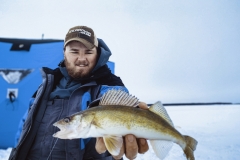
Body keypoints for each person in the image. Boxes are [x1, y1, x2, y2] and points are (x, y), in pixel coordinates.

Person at [9, 26, 149, 160]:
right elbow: (24, 127)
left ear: (98, 54)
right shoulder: (46, 86)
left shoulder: (110, 85)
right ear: (64, 52)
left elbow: (113, 105)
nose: (81, 58)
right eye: (74, 51)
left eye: (88, 52)